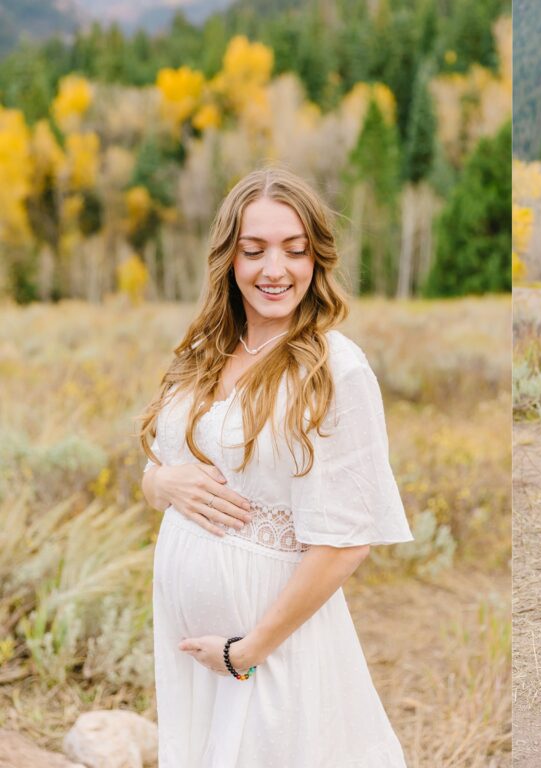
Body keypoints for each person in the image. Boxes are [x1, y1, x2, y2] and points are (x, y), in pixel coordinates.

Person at [138, 167, 413, 767]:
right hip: (193, 648)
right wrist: (160, 482)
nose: (274, 269)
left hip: (270, 644)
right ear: (228, 259)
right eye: (254, 250)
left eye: (295, 250)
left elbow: (346, 543)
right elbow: (158, 465)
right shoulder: (202, 350)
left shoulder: (336, 371)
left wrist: (247, 651)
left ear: (316, 258)